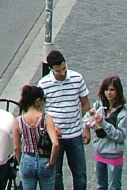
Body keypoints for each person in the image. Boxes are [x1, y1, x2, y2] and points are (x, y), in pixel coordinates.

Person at [39, 50, 90, 190]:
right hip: (55, 138)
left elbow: (85, 104)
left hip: (75, 134)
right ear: (51, 69)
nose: (62, 73)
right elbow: (39, 111)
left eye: (64, 69)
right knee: (56, 174)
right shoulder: (44, 85)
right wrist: (49, 126)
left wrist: (86, 128)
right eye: (58, 71)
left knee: (80, 174)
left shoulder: (77, 78)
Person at [86, 76, 127, 190]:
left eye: (112, 90)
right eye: (106, 89)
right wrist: (90, 120)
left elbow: (120, 136)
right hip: (99, 152)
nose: (108, 93)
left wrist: (104, 123)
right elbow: (85, 119)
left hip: (113, 155)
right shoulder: (98, 105)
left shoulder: (124, 112)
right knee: (101, 186)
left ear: (118, 91)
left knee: (114, 187)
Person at [14, 84, 61, 190]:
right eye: (43, 100)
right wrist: (52, 162)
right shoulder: (46, 118)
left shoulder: (19, 120)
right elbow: (56, 144)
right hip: (44, 159)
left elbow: (16, 147)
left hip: (27, 158)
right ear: (38, 101)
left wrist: (21, 161)